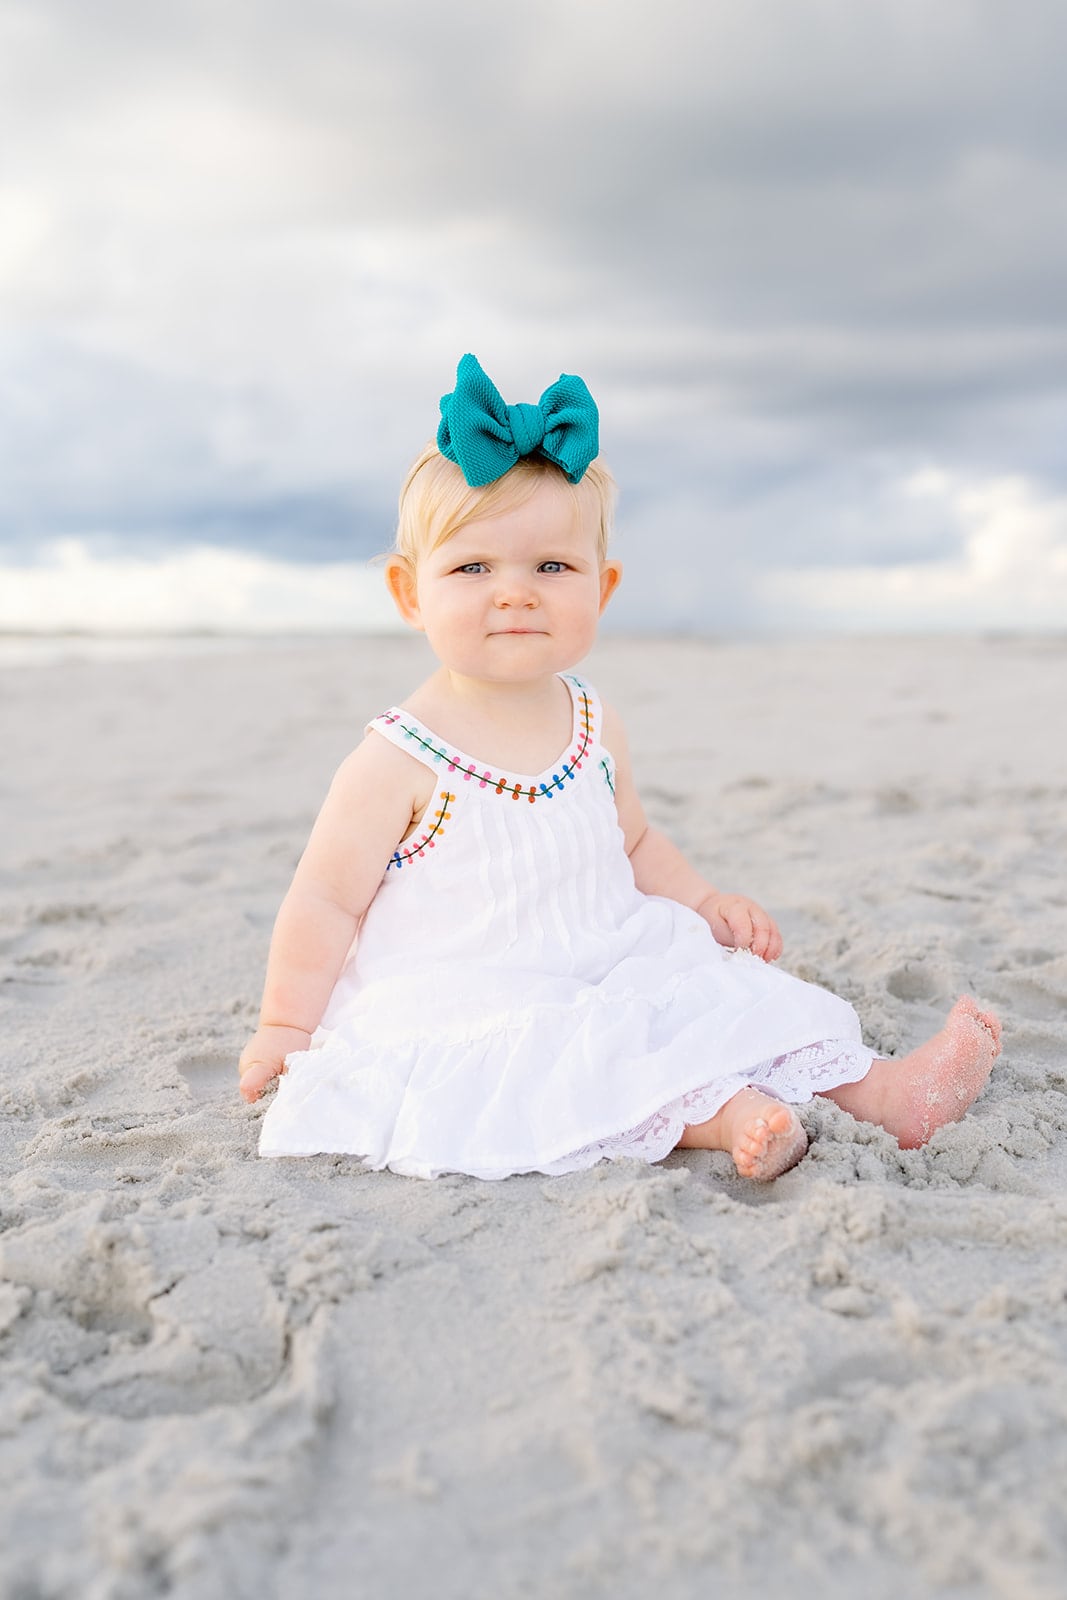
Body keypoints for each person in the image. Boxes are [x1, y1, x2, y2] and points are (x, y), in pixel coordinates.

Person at [238, 353, 1001, 1181]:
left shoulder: (590, 718)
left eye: (551, 567)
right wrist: (285, 1026)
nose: (515, 592)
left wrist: (705, 903)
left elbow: (631, 840)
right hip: (479, 981)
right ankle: (729, 1120)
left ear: (601, 589)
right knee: (569, 1055)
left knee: (727, 997)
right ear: (408, 592)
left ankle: (882, 1093)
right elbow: (323, 898)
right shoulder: (397, 756)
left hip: (607, 946)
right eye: (472, 567)